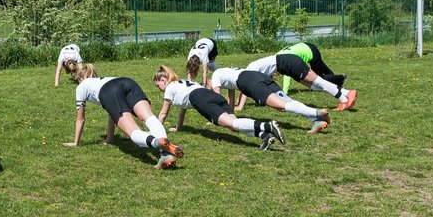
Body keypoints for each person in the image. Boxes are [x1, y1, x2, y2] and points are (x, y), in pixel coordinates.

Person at [65, 62, 185, 168]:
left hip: (109, 91)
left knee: (133, 132)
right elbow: (111, 114)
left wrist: (76, 142)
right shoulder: (102, 79)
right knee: (150, 118)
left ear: (80, 79)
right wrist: (109, 139)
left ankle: (156, 142)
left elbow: (80, 119)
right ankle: (165, 154)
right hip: (127, 82)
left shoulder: (81, 87)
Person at [152, 65, 284, 150]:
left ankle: (267, 126)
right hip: (212, 95)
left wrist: (155, 133)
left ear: (164, 80)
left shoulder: (169, 88)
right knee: (233, 126)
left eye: (158, 86)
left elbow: (163, 113)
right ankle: (264, 135)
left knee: (232, 123)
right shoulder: (181, 83)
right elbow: (183, 109)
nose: (159, 89)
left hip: (200, 98)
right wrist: (178, 127)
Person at [207, 65, 330, 134]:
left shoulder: (215, 75)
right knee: (287, 102)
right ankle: (316, 120)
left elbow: (217, 97)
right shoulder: (225, 72)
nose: (209, 89)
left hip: (249, 82)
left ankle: (316, 112)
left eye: (207, 87)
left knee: (282, 105)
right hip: (258, 75)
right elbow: (231, 95)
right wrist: (230, 115)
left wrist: (217, 118)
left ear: (208, 82)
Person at [241, 41, 356, 112]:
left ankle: (344, 98)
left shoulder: (250, 71)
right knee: (314, 86)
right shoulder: (251, 69)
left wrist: (240, 106)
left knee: (318, 82)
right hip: (289, 63)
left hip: (289, 62)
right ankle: (345, 93)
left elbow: (246, 89)